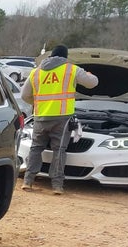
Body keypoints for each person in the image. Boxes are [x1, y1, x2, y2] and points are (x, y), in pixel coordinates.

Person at [20, 45, 98, 194]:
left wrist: (38, 104)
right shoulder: (71, 69)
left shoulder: (36, 72)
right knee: (59, 151)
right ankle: (57, 185)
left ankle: (28, 181)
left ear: (50, 56)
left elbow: (24, 95)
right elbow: (93, 82)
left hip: (41, 117)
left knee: (36, 148)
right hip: (62, 118)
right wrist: (89, 74)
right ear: (65, 57)